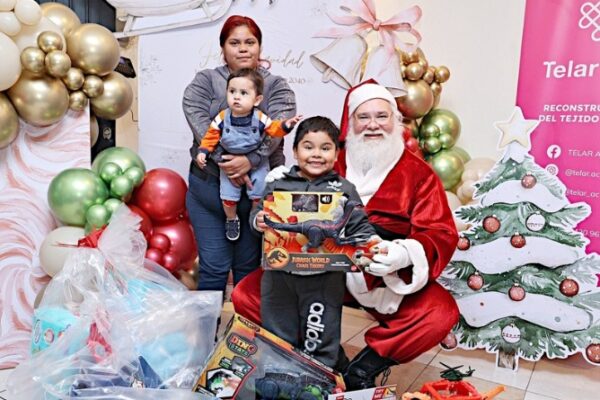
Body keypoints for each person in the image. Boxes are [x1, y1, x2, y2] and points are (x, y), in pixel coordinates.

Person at [231, 81, 459, 389]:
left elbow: (439, 231)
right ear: (350, 123)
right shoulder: (325, 158)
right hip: (318, 269)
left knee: (439, 312)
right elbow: (279, 209)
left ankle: (362, 369)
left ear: (396, 120)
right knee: (247, 295)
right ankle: (325, 360)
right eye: (364, 117)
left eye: (382, 116)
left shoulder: (419, 174)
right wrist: (266, 213)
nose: (373, 125)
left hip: (381, 276)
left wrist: (404, 254)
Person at [251, 116, 378, 368]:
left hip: (325, 278)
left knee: (319, 336)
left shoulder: (344, 189)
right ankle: (278, 378)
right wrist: (259, 221)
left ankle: (319, 380)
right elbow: (258, 214)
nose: (316, 154)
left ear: (337, 153)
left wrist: (373, 243)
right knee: (276, 336)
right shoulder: (278, 184)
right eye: (308, 147)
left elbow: (359, 224)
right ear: (295, 151)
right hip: (279, 277)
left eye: (325, 147)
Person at [183, 15, 297, 292]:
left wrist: (250, 161)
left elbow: (277, 128)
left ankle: (242, 323)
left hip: (258, 193)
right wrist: (228, 163)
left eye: (250, 42)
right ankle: (208, 323)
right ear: (223, 48)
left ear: (260, 46)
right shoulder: (205, 81)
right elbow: (199, 122)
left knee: (249, 269)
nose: (243, 48)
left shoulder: (277, 86)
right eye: (234, 43)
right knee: (213, 267)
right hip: (208, 190)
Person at [197, 68, 301, 241]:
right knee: (228, 195)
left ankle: (255, 215)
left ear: (257, 100)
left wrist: (286, 125)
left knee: (260, 190)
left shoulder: (260, 117)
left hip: (257, 161)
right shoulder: (222, 117)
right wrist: (203, 151)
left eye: (243, 93)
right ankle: (231, 219)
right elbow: (211, 136)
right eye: (232, 92)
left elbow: (274, 129)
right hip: (230, 159)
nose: (236, 97)